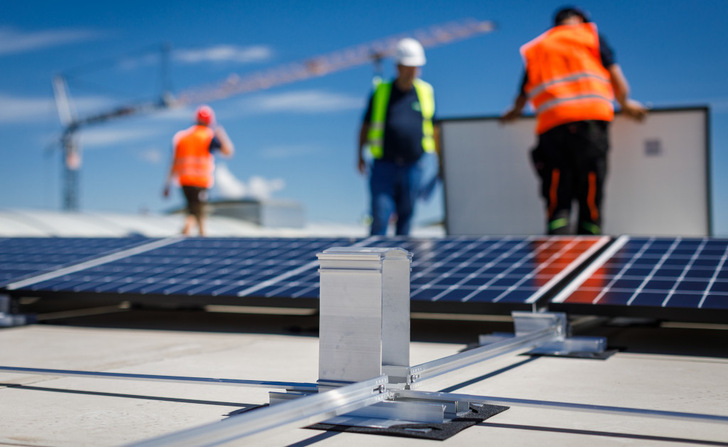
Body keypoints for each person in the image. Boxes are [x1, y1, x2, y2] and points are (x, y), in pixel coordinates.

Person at [501, 6, 647, 235]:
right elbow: (616, 76)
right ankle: (590, 244)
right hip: (591, 121)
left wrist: (513, 113)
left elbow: (522, 94)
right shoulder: (590, 35)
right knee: (590, 187)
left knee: (557, 192)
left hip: (552, 125)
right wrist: (626, 104)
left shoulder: (537, 47)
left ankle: (557, 249)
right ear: (579, 19)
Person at [357, 37, 439, 236]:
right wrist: (359, 155)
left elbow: (434, 127)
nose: (412, 71)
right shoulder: (381, 91)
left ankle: (400, 263)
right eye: (408, 66)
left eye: (415, 67)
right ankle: (375, 259)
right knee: (381, 214)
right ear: (398, 66)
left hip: (414, 165)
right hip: (384, 165)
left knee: (406, 216)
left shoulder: (425, 92)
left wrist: (442, 159)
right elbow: (365, 125)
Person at [163, 105, 234, 236]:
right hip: (200, 180)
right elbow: (228, 152)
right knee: (198, 211)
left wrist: (167, 185)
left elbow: (173, 162)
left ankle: (195, 233)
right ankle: (194, 234)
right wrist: (220, 133)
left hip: (183, 180)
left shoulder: (182, 137)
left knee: (193, 208)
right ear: (209, 121)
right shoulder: (207, 136)